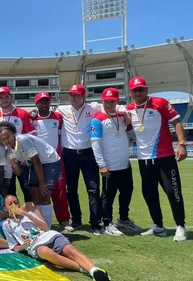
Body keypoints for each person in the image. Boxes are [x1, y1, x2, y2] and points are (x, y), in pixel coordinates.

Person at [1, 195, 114, 281]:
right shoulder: (7, 225)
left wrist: (27, 214)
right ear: (5, 208)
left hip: (49, 235)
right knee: (46, 252)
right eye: (10, 204)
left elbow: (45, 227)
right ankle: (89, 270)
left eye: (16, 202)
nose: (14, 205)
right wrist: (23, 246)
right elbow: (14, 247)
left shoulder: (28, 214)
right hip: (35, 245)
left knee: (71, 251)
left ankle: (95, 271)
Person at [126, 77, 188, 241]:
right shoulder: (129, 109)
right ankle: (158, 226)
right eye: (135, 90)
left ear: (146, 90)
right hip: (144, 160)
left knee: (173, 192)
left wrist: (182, 144)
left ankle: (180, 226)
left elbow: (177, 122)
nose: (138, 93)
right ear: (130, 92)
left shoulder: (160, 103)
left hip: (164, 157)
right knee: (149, 193)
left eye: (141, 89)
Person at [90, 88, 141, 236]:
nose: (109, 104)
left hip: (125, 165)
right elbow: (95, 144)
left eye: (112, 101)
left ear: (117, 102)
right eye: (106, 101)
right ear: (102, 101)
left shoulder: (123, 116)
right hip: (109, 166)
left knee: (127, 192)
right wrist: (102, 165)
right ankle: (107, 223)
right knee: (108, 197)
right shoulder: (97, 119)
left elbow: (132, 133)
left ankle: (123, 219)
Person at [56, 84, 105, 234]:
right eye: (70, 95)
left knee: (93, 189)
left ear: (83, 97)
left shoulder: (94, 107)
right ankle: (76, 220)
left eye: (76, 95)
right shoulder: (62, 109)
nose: (72, 98)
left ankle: (95, 223)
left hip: (89, 154)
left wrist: (124, 112)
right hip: (69, 154)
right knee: (71, 190)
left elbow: (115, 106)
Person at [0, 121, 61, 228]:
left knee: (44, 194)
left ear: (13, 133)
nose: (7, 140)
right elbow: (19, 173)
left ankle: (47, 229)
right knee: (34, 196)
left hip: (49, 161)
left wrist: (41, 182)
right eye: (3, 139)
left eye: (8, 136)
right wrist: (14, 165)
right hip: (36, 165)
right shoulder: (8, 152)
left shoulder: (23, 140)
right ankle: (39, 227)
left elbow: (36, 161)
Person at [31, 92, 70, 229]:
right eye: (41, 101)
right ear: (37, 104)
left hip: (55, 160)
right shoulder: (32, 118)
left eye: (46, 101)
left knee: (59, 190)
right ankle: (39, 221)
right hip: (38, 161)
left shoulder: (58, 117)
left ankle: (64, 220)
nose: (44, 104)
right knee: (38, 191)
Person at [0, 86, 34, 202]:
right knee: (9, 192)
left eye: (6, 97)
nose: (4, 100)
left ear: (11, 97)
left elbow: (31, 137)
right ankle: (13, 217)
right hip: (4, 161)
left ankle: (30, 217)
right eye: (1, 98)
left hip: (22, 160)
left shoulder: (23, 114)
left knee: (28, 190)